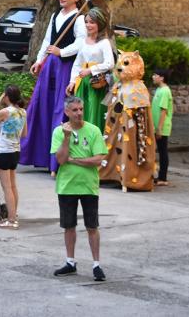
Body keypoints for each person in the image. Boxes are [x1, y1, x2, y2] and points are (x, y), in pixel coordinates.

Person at [23, 0, 87, 171]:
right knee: (42, 106)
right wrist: (39, 61)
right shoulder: (55, 15)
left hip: (65, 67)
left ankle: (57, 161)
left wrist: (62, 52)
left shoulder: (80, 18)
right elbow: (46, 41)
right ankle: (41, 156)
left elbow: (81, 43)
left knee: (60, 109)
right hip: (50, 67)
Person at [51, 96, 108, 282]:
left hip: (89, 186)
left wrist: (74, 160)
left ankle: (97, 264)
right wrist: (67, 138)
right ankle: (70, 262)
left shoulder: (93, 130)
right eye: (74, 110)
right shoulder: (59, 132)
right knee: (69, 226)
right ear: (67, 112)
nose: (79, 113)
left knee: (92, 226)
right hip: (67, 186)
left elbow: (98, 159)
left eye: (81, 109)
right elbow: (60, 159)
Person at [65, 8, 114, 130]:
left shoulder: (104, 42)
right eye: (86, 22)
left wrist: (91, 70)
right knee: (79, 112)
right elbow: (77, 63)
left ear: (100, 24)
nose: (88, 25)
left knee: (93, 111)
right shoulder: (83, 41)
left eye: (92, 22)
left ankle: (93, 142)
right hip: (82, 82)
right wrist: (72, 81)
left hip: (96, 83)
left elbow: (110, 63)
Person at [0, 85, 27, 229]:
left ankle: (11, 220)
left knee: (6, 187)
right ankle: (13, 215)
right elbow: (24, 134)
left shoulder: (5, 111)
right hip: (15, 151)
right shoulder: (22, 112)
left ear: (7, 97)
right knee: (13, 185)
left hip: (3, 151)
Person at [151, 68, 173, 187]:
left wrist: (159, 128)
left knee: (163, 151)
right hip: (157, 126)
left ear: (162, 78)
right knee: (158, 150)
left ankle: (163, 178)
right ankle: (158, 176)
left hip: (162, 127)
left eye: (155, 75)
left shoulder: (165, 91)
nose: (153, 77)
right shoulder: (159, 89)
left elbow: (163, 111)